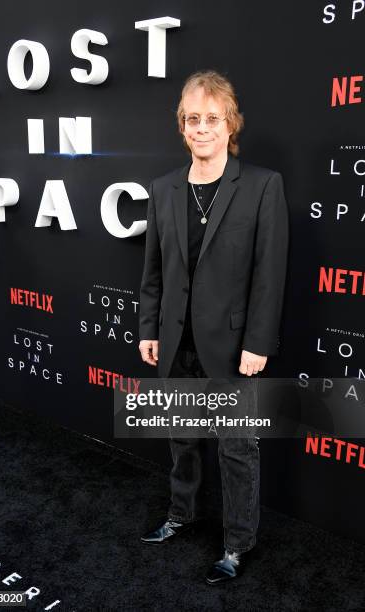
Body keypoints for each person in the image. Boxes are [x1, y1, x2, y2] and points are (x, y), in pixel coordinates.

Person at [138, 69, 289, 585]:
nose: (202, 128)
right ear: (182, 126)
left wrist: (257, 343)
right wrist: (147, 330)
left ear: (230, 125)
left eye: (212, 118)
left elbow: (270, 273)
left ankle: (236, 544)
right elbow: (153, 272)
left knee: (237, 450)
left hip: (233, 348)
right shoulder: (162, 189)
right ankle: (181, 515)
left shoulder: (263, 186)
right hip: (177, 341)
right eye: (192, 119)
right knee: (180, 438)